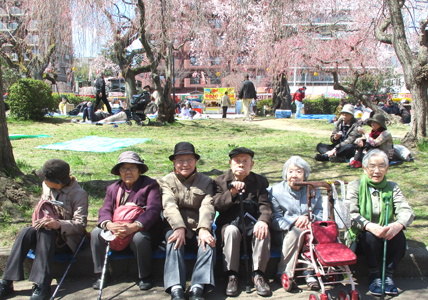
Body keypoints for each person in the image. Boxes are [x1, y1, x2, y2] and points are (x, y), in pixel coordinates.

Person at [0, 159, 88, 300]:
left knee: (46, 233)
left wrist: (58, 224)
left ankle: (42, 284)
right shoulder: (45, 186)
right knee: (26, 232)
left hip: (66, 240)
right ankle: (7, 281)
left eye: (46, 178)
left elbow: (80, 225)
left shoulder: (79, 194)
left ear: (57, 180)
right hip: (45, 233)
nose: (44, 180)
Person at [90, 151, 162, 291]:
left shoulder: (150, 185)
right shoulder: (113, 188)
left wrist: (133, 227)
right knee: (95, 233)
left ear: (139, 170)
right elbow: (105, 209)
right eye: (124, 169)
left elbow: (153, 210)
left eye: (132, 168)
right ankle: (102, 274)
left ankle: (145, 276)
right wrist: (110, 225)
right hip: (116, 229)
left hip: (140, 230)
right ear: (119, 172)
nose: (127, 172)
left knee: (140, 238)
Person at [347, 149, 414, 296]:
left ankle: (388, 276)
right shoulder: (355, 186)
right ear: (364, 168)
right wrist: (370, 226)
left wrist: (397, 224)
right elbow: (350, 214)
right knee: (370, 236)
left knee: (399, 234)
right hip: (363, 236)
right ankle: (375, 275)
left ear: (387, 168)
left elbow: (406, 210)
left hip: (387, 235)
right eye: (372, 166)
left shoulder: (392, 187)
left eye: (381, 166)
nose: (377, 171)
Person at [160, 142, 216, 300]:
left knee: (209, 243)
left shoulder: (205, 181)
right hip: (174, 226)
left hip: (198, 226)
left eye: (189, 159)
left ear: (196, 161)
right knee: (174, 241)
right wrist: (179, 228)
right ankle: (176, 287)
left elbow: (207, 206)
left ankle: (198, 286)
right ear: (174, 162)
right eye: (180, 160)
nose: (185, 164)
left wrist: (204, 228)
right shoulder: (166, 181)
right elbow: (169, 205)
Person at [213, 147, 272, 297]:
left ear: (251, 165)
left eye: (245, 161)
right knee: (231, 231)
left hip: (252, 224)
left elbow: (265, 205)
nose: (241, 164)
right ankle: (232, 276)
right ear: (230, 164)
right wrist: (231, 193)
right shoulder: (219, 181)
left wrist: (263, 220)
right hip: (230, 225)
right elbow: (217, 204)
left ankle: (258, 275)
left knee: (263, 230)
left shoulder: (259, 182)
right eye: (237, 161)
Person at [269, 156, 323, 291]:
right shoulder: (275, 192)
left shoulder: (314, 190)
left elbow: (321, 215)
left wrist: (308, 218)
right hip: (283, 233)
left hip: (310, 229)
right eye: (291, 171)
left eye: (299, 172)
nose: (294, 176)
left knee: (309, 232)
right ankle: (286, 272)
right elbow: (275, 220)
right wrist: (295, 221)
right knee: (297, 232)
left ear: (305, 175)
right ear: (285, 174)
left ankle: (309, 273)